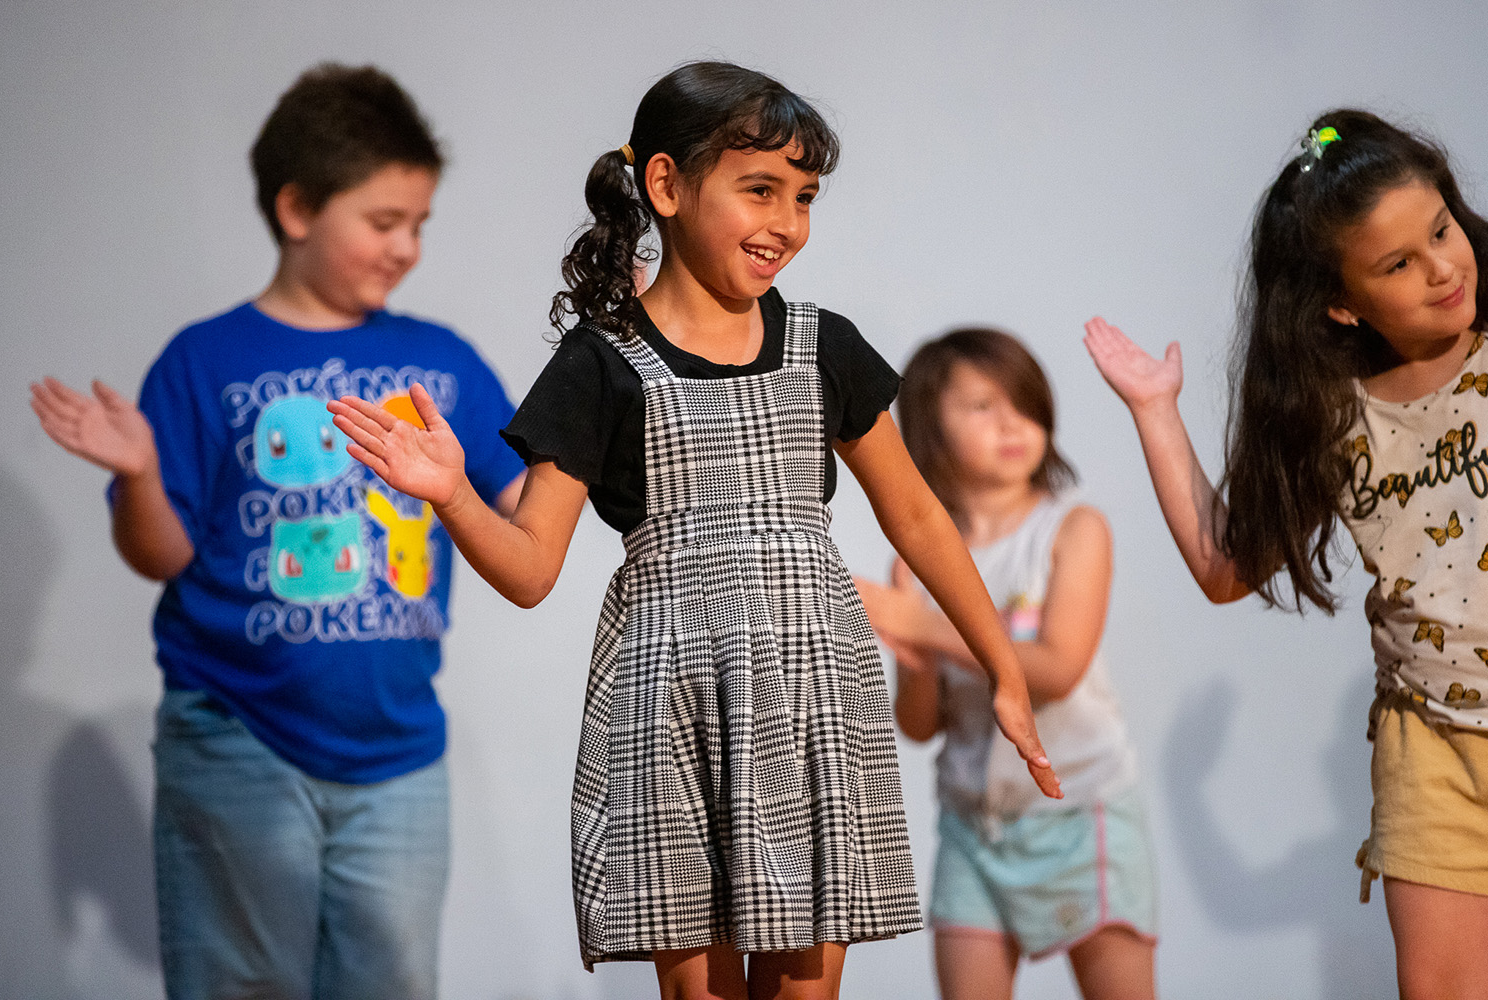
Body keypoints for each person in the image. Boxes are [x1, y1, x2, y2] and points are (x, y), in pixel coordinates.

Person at [327, 61, 1060, 1000]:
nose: (786, 223)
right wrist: (456, 495)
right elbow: (532, 568)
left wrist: (1002, 666)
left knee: (802, 987)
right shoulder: (602, 363)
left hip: (809, 695)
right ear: (667, 186)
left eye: (803, 197)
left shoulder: (823, 346)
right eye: (760, 190)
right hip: (670, 704)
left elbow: (916, 514)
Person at [29, 64, 525, 1000]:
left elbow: (524, 505)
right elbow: (160, 555)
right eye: (385, 222)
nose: (408, 247)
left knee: (393, 982)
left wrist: (607, 393)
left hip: (400, 754)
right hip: (237, 737)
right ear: (297, 209)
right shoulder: (205, 359)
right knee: (242, 985)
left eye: (419, 224)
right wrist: (141, 474)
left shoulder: (442, 362)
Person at [1083, 109, 1488, 1000]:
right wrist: (1155, 410)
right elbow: (1225, 568)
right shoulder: (1335, 417)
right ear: (1341, 302)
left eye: (1440, 230)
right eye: (1398, 264)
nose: (1442, 268)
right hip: (1433, 750)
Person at [855, 329, 1157, 1000]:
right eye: (982, 406)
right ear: (929, 428)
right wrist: (916, 652)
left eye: (1024, 403)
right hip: (972, 827)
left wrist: (918, 623)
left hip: (1082, 815)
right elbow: (919, 724)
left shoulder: (1073, 528)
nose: (1012, 423)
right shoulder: (913, 567)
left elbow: (1057, 668)